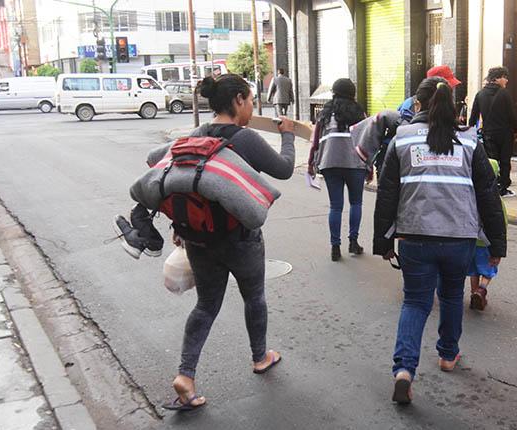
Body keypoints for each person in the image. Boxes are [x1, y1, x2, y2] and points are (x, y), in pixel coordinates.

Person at [143, 74, 295, 411]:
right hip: (240, 238)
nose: (252, 106)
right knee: (254, 296)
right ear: (239, 100)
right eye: (251, 99)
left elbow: (163, 166)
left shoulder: (195, 135)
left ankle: (186, 375)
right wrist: (287, 135)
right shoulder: (246, 138)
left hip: (197, 239)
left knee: (206, 305)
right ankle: (260, 356)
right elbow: (284, 170)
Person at [373, 77, 507, 404]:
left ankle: (404, 370)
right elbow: (489, 196)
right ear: (453, 107)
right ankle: (448, 356)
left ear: (417, 106)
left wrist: (383, 240)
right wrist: (497, 246)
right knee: (449, 296)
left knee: (415, 303)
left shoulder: (402, 139)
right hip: (459, 238)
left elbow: (388, 193)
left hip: (415, 237)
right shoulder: (470, 142)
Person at [308, 78, 368, 261]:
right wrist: (370, 165)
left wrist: (311, 162)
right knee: (356, 203)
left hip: (330, 162)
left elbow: (315, 140)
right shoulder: (360, 113)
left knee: (336, 206)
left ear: (334, 92)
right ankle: (353, 242)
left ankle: (335, 247)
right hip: (355, 164)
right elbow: (367, 141)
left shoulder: (325, 114)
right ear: (352, 93)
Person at [468, 66, 517, 197]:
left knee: (492, 160)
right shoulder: (504, 94)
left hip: (488, 133)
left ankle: (493, 185)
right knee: (505, 160)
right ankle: (503, 187)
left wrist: (469, 130)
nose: (506, 81)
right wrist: (516, 130)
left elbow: (473, 115)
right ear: (497, 78)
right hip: (505, 133)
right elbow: (511, 114)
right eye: (504, 77)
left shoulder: (480, 94)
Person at [467, 158, 507, 311]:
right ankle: (481, 290)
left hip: (472, 240)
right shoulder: (495, 200)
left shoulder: (470, 196)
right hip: (487, 242)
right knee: (488, 270)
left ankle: (473, 292)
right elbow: (501, 222)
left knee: (473, 270)